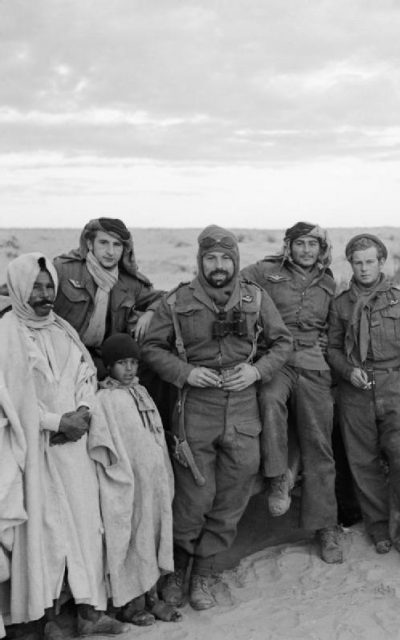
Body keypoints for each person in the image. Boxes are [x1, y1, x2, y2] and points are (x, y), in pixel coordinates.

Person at [141, 225, 293, 611]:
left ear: (236, 261)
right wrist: (185, 373)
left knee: (233, 494)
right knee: (193, 497)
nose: (219, 265)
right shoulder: (177, 301)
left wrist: (256, 372)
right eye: (211, 258)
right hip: (197, 407)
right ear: (200, 260)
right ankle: (177, 569)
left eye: (226, 258)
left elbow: (283, 343)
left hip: (243, 408)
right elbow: (152, 348)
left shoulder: (254, 298)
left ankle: (205, 572)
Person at [0, 253, 126, 639]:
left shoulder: (63, 330)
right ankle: (39, 619)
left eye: (49, 285)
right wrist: (56, 422)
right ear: (19, 287)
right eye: (36, 287)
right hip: (33, 450)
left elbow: (87, 374)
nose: (44, 294)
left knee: (86, 527)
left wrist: (84, 412)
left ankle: (89, 612)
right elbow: (10, 399)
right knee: (41, 533)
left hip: (74, 446)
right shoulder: (6, 334)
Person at [241, 222, 343, 563]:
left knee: (319, 441)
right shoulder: (265, 271)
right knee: (269, 400)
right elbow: (226, 281)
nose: (306, 251)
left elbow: (336, 326)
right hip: (278, 357)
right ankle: (277, 478)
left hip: (314, 362)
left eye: (312, 245)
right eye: (300, 244)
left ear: (321, 248)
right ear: (289, 246)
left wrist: (326, 349)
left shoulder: (329, 282)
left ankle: (326, 527)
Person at [327, 234, 400, 564]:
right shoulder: (341, 305)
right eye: (358, 262)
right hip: (355, 390)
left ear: (381, 262)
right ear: (351, 265)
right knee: (363, 462)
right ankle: (379, 525)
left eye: (370, 261)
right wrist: (346, 371)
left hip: (392, 386)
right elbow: (331, 348)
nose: (365, 268)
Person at [93, 333, 179, 627]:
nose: (129, 369)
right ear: (109, 366)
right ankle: (132, 604)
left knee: (153, 533)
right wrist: (122, 479)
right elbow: (105, 446)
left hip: (154, 481)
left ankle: (153, 598)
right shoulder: (105, 399)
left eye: (133, 362)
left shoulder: (140, 392)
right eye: (121, 363)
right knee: (132, 538)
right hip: (129, 484)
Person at [53, 218, 162, 378]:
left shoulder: (130, 283)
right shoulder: (63, 270)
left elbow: (165, 298)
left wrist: (150, 312)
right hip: (62, 353)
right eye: (103, 243)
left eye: (117, 245)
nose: (110, 251)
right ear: (90, 244)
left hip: (101, 357)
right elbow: (18, 290)